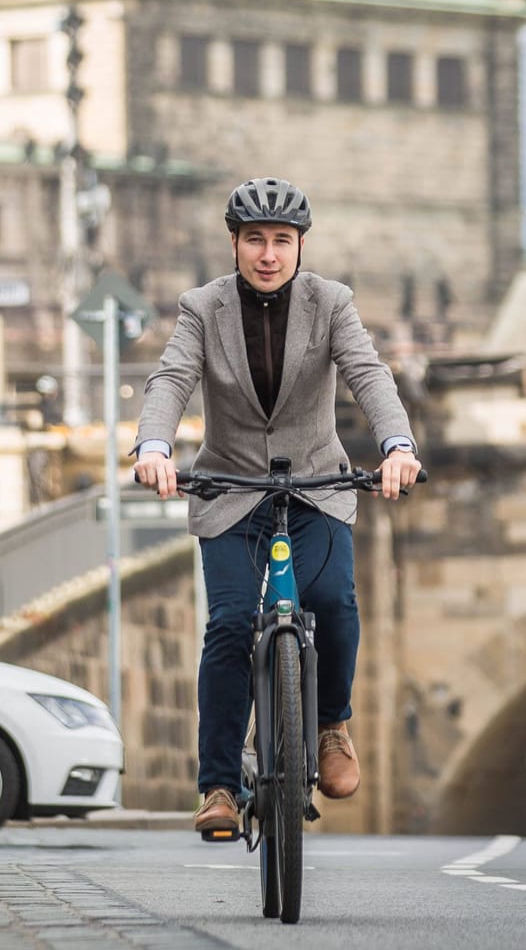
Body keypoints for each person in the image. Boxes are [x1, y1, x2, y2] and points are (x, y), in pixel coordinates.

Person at [132, 177, 421, 841]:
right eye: (255, 240)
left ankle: (331, 727)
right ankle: (218, 787)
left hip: (318, 484)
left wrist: (398, 445)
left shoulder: (332, 303)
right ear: (234, 245)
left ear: (299, 247)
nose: (268, 254)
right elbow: (173, 378)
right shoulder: (203, 308)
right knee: (231, 627)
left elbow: (368, 374)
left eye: (281, 242)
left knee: (336, 601)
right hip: (230, 492)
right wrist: (154, 446)